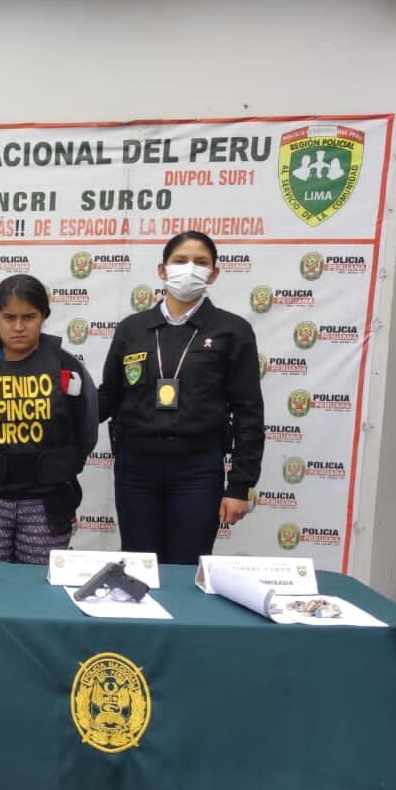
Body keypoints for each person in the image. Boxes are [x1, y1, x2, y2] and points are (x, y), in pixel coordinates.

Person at [99, 230, 264, 565]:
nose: (189, 269)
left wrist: (240, 487)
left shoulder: (232, 331)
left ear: (214, 273)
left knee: (187, 568)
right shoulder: (132, 329)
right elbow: (108, 397)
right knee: (138, 567)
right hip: (136, 469)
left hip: (198, 469)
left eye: (200, 262)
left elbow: (248, 413)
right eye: (180, 261)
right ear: (162, 270)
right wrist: (62, 410)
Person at [0, 274, 98, 564]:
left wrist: (57, 467)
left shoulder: (67, 367)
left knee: (39, 590)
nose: (19, 326)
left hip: (47, 502)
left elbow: (85, 433)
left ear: (44, 317)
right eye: (9, 317)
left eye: (29, 317)